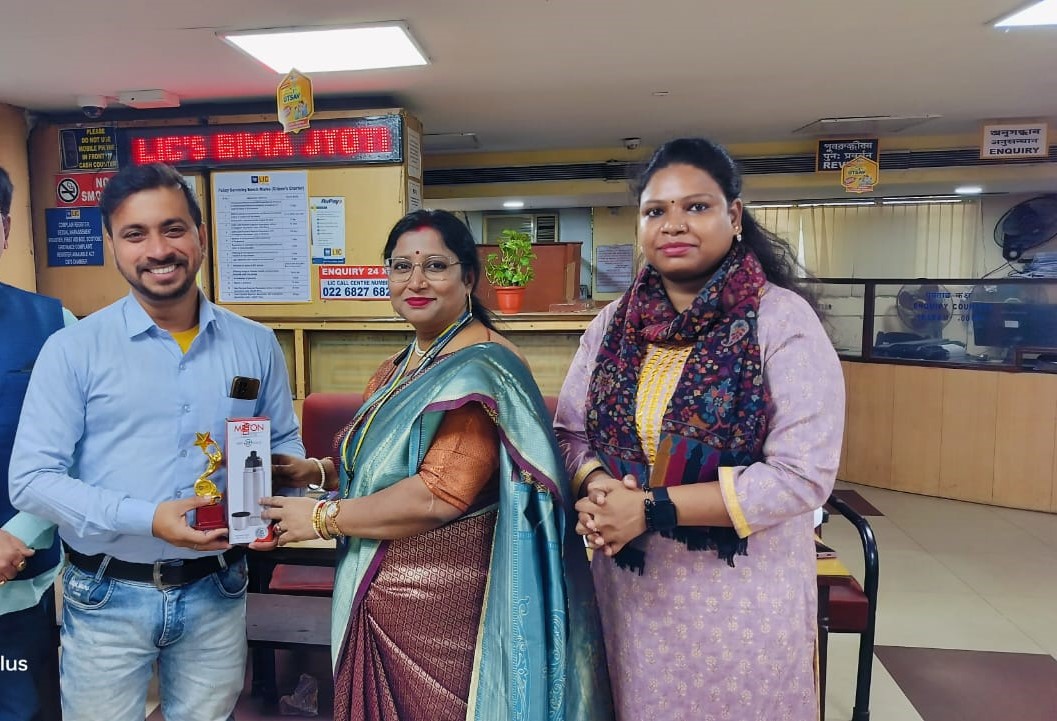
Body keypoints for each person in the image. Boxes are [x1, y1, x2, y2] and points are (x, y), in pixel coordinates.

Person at [260, 209, 612, 721]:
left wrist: (318, 518)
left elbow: (436, 494)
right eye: (401, 266)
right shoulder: (403, 362)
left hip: (441, 613)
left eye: (435, 266)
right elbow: (383, 464)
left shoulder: (483, 370)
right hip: (381, 588)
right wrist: (313, 472)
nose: (416, 281)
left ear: (469, 277)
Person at [554, 138, 845, 721]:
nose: (673, 224)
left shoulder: (781, 320)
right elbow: (570, 431)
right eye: (655, 210)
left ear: (733, 217)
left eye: (697, 207)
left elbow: (800, 476)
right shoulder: (614, 323)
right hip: (631, 585)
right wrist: (598, 489)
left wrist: (650, 507)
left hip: (742, 592)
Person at [9, 162, 306, 721]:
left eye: (172, 228)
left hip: (218, 587)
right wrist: (148, 517)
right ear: (113, 245)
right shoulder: (75, 350)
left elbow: (279, 442)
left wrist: (278, 504)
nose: (157, 249)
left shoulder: (256, 344)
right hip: (105, 593)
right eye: (134, 234)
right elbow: (31, 481)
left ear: (200, 235)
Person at [0, 165, 75, 721]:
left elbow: (82, 450)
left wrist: (17, 536)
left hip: (16, 586)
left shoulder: (54, 325)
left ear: (4, 229)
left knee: (20, 707)